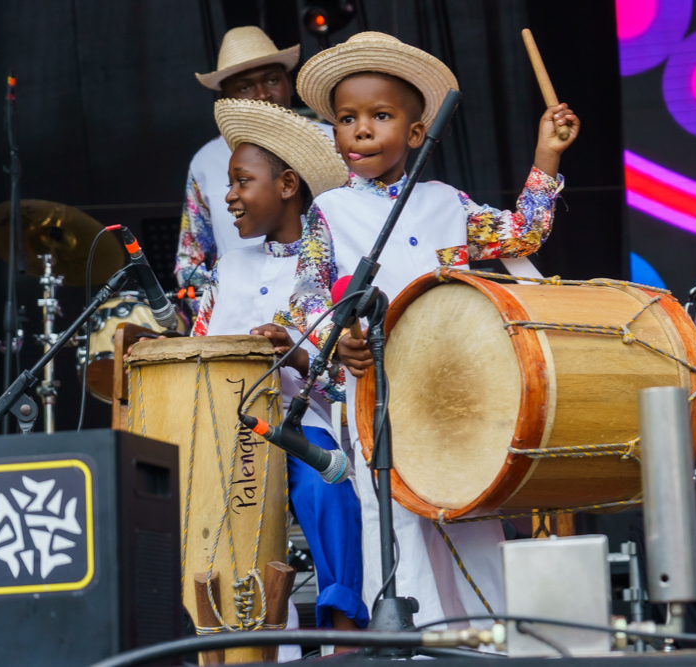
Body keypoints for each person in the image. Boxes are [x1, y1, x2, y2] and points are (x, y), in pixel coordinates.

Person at [286, 32, 579, 626]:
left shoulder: (448, 202)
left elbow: (519, 235)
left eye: (380, 116)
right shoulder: (329, 212)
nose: (360, 130)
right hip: (379, 396)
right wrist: (337, 342)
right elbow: (304, 310)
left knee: (469, 520)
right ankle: (411, 639)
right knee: (396, 526)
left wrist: (547, 155)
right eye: (346, 119)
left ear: (418, 133)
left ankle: (489, 636)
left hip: (454, 393)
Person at [192, 97, 370, 635]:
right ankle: (236, 632)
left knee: (327, 484)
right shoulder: (228, 266)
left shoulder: (331, 266)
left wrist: (291, 349)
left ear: (288, 186)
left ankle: (344, 626)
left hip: (299, 425)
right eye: (229, 183)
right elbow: (196, 342)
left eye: (242, 182)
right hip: (225, 432)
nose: (229, 196)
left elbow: (347, 377)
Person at [176, 26, 332, 289]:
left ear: (288, 83)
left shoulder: (334, 141)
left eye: (272, 80)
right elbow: (190, 260)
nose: (262, 94)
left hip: (322, 309)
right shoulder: (206, 161)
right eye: (245, 86)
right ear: (225, 98)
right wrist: (221, 305)